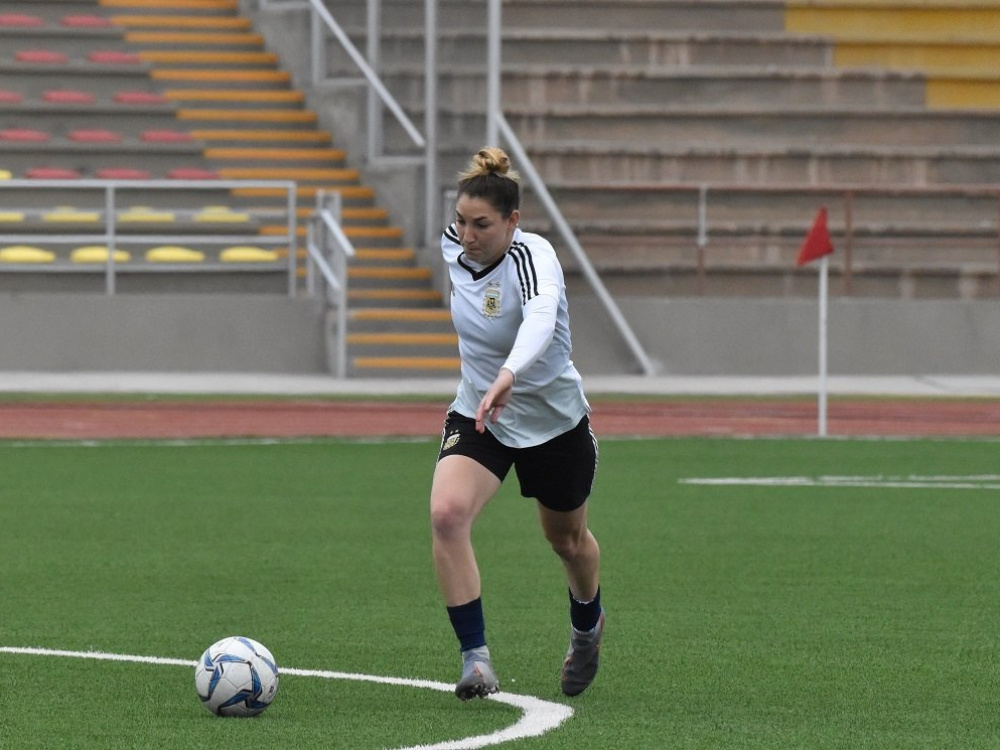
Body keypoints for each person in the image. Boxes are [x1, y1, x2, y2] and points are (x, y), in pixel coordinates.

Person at [430, 146, 604, 701]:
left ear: (513, 222)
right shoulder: (454, 248)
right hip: (482, 413)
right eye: (461, 220)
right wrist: (490, 385)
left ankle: (587, 628)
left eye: (482, 224)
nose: (467, 233)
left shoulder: (535, 257)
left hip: (553, 422)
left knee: (568, 541)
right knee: (447, 513)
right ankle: (475, 661)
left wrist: (509, 373)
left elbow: (540, 316)